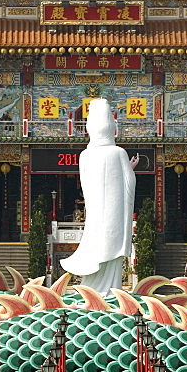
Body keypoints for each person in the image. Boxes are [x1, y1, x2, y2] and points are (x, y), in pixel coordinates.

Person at [61, 98, 138, 296]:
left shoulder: (85, 155)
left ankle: (92, 289)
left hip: (96, 212)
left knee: (97, 245)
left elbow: (84, 186)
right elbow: (129, 183)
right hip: (114, 213)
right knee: (111, 250)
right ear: (111, 126)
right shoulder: (119, 152)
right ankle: (112, 290)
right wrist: (129, 169)